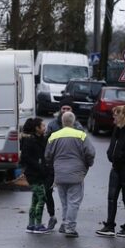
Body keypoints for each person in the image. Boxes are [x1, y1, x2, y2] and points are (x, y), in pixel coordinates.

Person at [45, 111, 95, 238]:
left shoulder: (54, 136)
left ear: (62, 121)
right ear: (73, 121)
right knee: (74, 201)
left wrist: (54, 166)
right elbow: (90, 153)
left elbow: (47, 155)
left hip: (59, 174)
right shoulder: (81, 135)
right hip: (76, 173)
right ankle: (70, 228)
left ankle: (64, 223)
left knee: (64, 201)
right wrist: (87, 164)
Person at [96, 105, 125, 238]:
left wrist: (122, 154)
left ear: (123, 115)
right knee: (111, 197)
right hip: (116, 167)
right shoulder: (117, 129)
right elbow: (113, 144)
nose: (113, 117)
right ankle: (110, 225)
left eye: (116, 115)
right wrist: (110, 153)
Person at [43, 97, 85, 230]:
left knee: (67, 199)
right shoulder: (53, 125)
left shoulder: (78, 127)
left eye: (68, 109)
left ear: (72, 111)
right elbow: (47, 146)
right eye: (63, 108)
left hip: (65, 169)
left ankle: (65, 223)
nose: (65, 111)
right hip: (58, 169)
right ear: (60, 110)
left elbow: (86, 150)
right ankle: (64, 223)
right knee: (65, 198)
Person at [20, 117, 51, 234]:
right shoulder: (30, 141)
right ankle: (38, 225)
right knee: (41, 198)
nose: (45, 128)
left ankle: (31, 224)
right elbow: (25, 158)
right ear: (37, 128)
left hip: (39, 173)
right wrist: (40, 167)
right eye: (42, 126)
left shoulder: (41, 139)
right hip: (34, 174)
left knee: (35, 199)